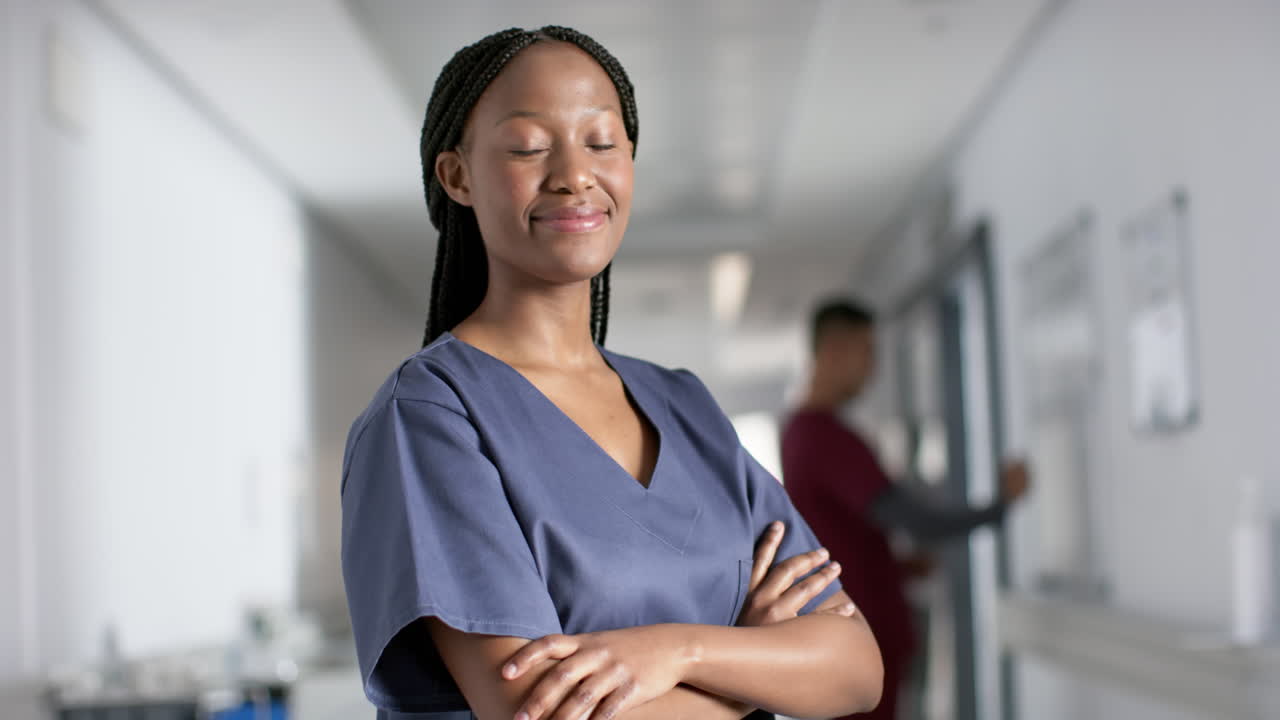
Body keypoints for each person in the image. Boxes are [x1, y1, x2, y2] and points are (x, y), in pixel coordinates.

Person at [339, 27, 884, 720]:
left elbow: (855, 668)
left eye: (601, 142)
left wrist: (682, 651)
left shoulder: (683, 403)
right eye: (529, 146)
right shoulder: (430, 414)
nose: (574, 174)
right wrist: (753, 675)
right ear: (458, 176)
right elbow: (539, 711)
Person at [781, 299, 1030, 720]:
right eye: (868, 352)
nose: (872, 368)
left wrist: (891, 565)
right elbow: (920, 524)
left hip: (856, 634)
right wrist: (1001, 504)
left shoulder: (801, 433)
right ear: (835, 350)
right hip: (860, 640)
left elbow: (838, 534)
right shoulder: (824, 437)